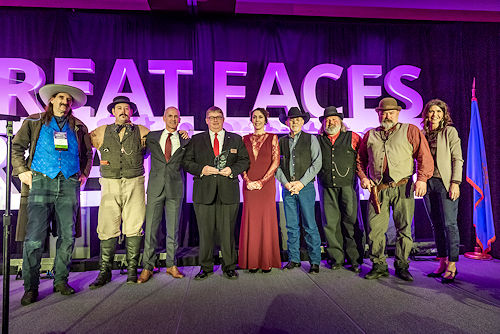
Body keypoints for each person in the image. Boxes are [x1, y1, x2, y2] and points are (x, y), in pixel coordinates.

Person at [12, 84, 92, 305]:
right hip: (41, 181)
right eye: (61, 98)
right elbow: (17, 146)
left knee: (67, 236)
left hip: (68, 183)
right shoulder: (35, 121)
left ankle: (60, 281)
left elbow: (88, 153)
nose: (65, 103)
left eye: (68, 100)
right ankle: (31, 287)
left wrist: (83, 174)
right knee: (34, 238)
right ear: (52, 100)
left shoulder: (79, 126)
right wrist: (21, 171)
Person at [357, 97, 433, 281]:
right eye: (383, 112)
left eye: (391, 112)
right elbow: (360, 160)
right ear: (378, 114)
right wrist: (364, 177)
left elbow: (424, 155)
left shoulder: (410, 130)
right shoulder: (370, 135)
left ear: (398, 113)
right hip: (378, 189)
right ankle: (379, 264)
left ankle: (401, 265)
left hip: (403, 186)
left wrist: (421, 179)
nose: (387, 115)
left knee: (404, 228)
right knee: (375, 229)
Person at [89, 96, 149, 288]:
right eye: (119, 108)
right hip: (109, 182)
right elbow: (80, 147)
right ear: (113, 112)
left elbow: (157, 145)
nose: (123, 111)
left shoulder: (143, 131)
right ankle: (105, 272)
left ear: (131, 111)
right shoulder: (100, 132)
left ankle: (132, 271)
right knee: (107, 226)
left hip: (135, 182)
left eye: (127, 108)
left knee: (134, 224)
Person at [183, 106, 249, 280]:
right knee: (205, 232)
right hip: (204, 193)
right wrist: (202, 169)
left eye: (218, 117)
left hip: (228, 192)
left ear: (223, 118)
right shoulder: (196, 140)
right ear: (206, 120)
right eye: (211, 117)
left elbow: (244, 161)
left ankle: (229, 266)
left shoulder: (235, 139)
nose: (215, 120)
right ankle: (205, 267)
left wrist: (232, 170)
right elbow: (187, 162)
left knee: (227, 233)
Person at [138, 107, 190, 283]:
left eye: (176, 116)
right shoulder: (152, 136)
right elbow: (141, 154)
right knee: (151, 229)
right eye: (170, 116)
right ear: (163, 118)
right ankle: (147, 267)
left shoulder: (185, 140)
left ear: (179, 119)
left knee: (173, 230)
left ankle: (171, 265)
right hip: (155, 188)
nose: (173, 119)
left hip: (175, 189)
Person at [276, 107, 322, 274]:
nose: (294, 122)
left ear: (303, 122)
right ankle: (293, 259)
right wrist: (287, 184)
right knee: (291, 225)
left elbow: (317, 163)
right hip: (288, 188)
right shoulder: (280, 142)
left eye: (298, 119)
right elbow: (276, 166)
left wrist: (301, 183)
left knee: (310, 224)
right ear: (287, 122)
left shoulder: (311, 139)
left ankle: (315, 260)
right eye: (291, 119)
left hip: (306, 188)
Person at [421, 99, 463, 283]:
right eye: (431, 111)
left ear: (444, 114)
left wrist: (456, 182)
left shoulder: (450, 132)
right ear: (426, 114)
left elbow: (457, 159)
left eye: (439, 111)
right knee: (435, 225)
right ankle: (442, 261)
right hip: (428, 183)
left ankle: (453, 264)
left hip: (446, 183)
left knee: (450, 224)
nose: (435, 114)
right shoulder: (422, 133)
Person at [316, 106, 362, 272]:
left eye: (334, 119)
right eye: (327, 120)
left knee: (350, 221)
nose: (331, 122)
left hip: (348, 186)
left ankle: (355, 259)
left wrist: (363, 177)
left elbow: (361, 159)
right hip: (326, 186)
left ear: (341, 122)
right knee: (331, 223)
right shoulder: (317, 139)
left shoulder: (353, 137)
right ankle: (336, 258)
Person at [238, 108, 281, 273]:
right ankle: (252, 261)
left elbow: (275, 162)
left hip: (267, 186)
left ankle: (266, 261)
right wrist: (247, 180)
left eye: (260, 117)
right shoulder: (244, 139)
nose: (257, 120)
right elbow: (241, 162)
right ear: (251, 119)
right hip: (249, 186)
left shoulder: (273, 138)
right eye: (254, 117)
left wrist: (262, 182)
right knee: (251, 219)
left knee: (266, 220)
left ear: (266, 119)